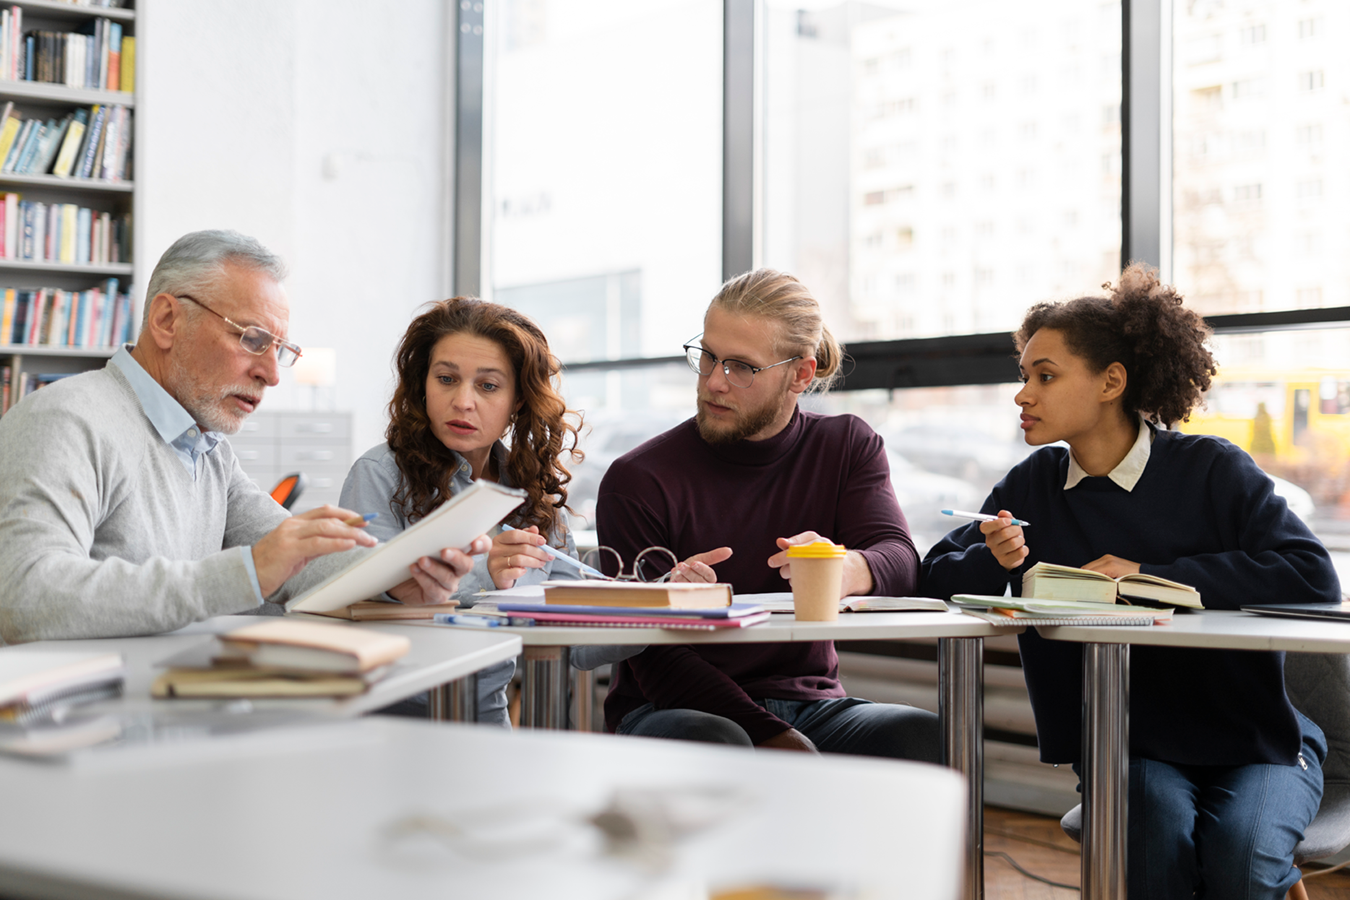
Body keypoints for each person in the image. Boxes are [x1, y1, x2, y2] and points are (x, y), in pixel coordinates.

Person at [920, 264, 1340, 899]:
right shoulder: (1032, 484)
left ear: (1111, 382)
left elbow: (1312, 574)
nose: (1022, 394)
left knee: (1239, 856)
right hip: (1129, 743)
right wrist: (999, 560)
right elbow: (936, 578)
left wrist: (1150, 577)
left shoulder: (1212, 470)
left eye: (1045, 376)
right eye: (1023, 376)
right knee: (1153, 843)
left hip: (1258, 740)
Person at [0, 230, 484, 646]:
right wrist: (246, 573)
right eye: (253, 339)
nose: (272, 374)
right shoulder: (66, 419)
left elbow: (296, 559)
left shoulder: (208, 451)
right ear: (168, 320)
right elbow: (25, 596)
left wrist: (400, 577)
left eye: (280, 350)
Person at [594, 268, 939, 760]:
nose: (714, 382)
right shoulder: (639, 478)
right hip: (670, 707)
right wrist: (770, 735)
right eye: (708, 357)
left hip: (811, 705)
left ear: (800, 373)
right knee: (723, 743)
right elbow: (654, 655)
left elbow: (901, 560)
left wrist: (843, 569)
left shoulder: (847, 446)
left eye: (741, 367)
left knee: (921, 736)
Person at [341, 297, 584, 726]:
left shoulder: (529, 489)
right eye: (446, 379)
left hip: (487, 720)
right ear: (423, 385)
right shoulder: (378, 475)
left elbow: (580, 638)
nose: (462, 401)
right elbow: (360, 601)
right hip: (388, 721)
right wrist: (482, 574)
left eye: (488, 386)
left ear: (519, 402)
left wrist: (669, 601)